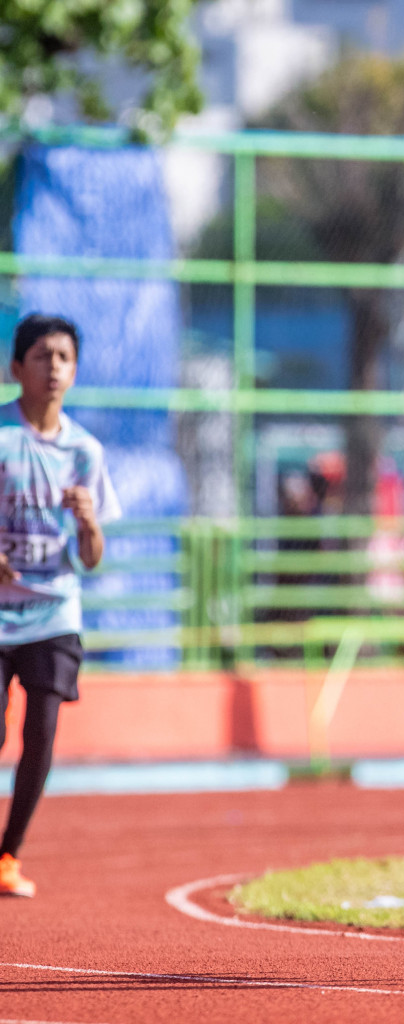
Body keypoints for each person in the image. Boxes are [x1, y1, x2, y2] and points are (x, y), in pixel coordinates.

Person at [0, 314, 121, 897]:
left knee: (41, 738)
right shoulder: (1, 435)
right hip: (0, 612)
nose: (54, 368)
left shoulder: (85, 452)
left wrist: (89, 521)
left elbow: (92, 557)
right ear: (15, 366)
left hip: (55, 614)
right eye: (43, 356)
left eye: (64, 358)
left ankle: (8, 855)